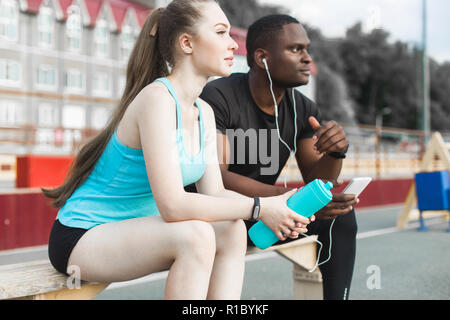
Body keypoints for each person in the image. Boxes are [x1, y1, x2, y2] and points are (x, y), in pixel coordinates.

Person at [42, 1, 313, 300]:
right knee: (194, 236)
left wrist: (277, 206)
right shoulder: (157, 100)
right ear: (187, 43)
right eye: (221, 32)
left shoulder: (203, 112)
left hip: (137, 231)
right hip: (83, 236)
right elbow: (173, 206)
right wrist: (261, 208)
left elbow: (216, 194)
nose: (233, 45)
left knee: (232, 229)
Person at [193, 14, 359, 300]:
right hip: (217, 214)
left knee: (339, 218)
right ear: (262, 58)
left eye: (306, 49)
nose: (307, 58)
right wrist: (284, 200)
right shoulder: (218, 95)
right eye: (296, 49)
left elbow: (317, 182)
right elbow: (215, 176)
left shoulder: (303, 108)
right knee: (230, 224)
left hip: (267, 213)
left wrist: (335, 152)